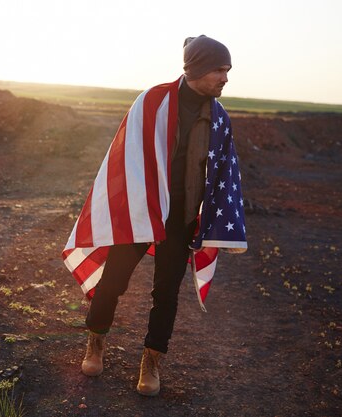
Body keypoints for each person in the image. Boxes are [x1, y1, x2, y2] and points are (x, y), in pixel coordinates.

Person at [62, 35, 247, 396]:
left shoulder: (219, 118)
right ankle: (95, 343)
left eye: (227, 70)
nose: (225, 78)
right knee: (113, 283)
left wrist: (213, 223)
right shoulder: (152, 102)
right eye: (219, 70)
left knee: (166, 294)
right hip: (140, 213)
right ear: (196, 68)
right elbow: (123, 157)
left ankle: (151, 362)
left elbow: (224, 175)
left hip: (181, 221)